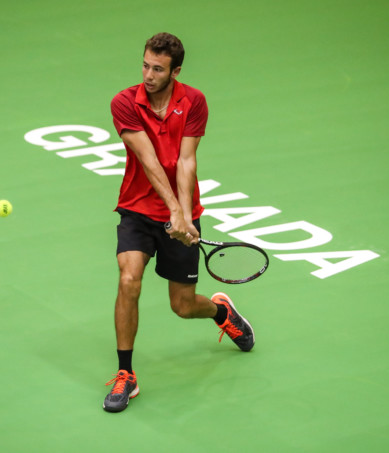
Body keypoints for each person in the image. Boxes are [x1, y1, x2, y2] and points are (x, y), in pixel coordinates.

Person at [103, 32, 255, 413]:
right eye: (145, 65)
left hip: (183, 212)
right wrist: (173, 210)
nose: (148, 75)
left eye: (158, 69)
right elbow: (148, 160)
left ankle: (221, 312)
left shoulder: (194, 101)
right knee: (128, 279)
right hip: (138, 208)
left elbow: (186, 161)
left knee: (183, 307)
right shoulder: (124, 102)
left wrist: (185, 217)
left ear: (176, 71)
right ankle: (126, 374)